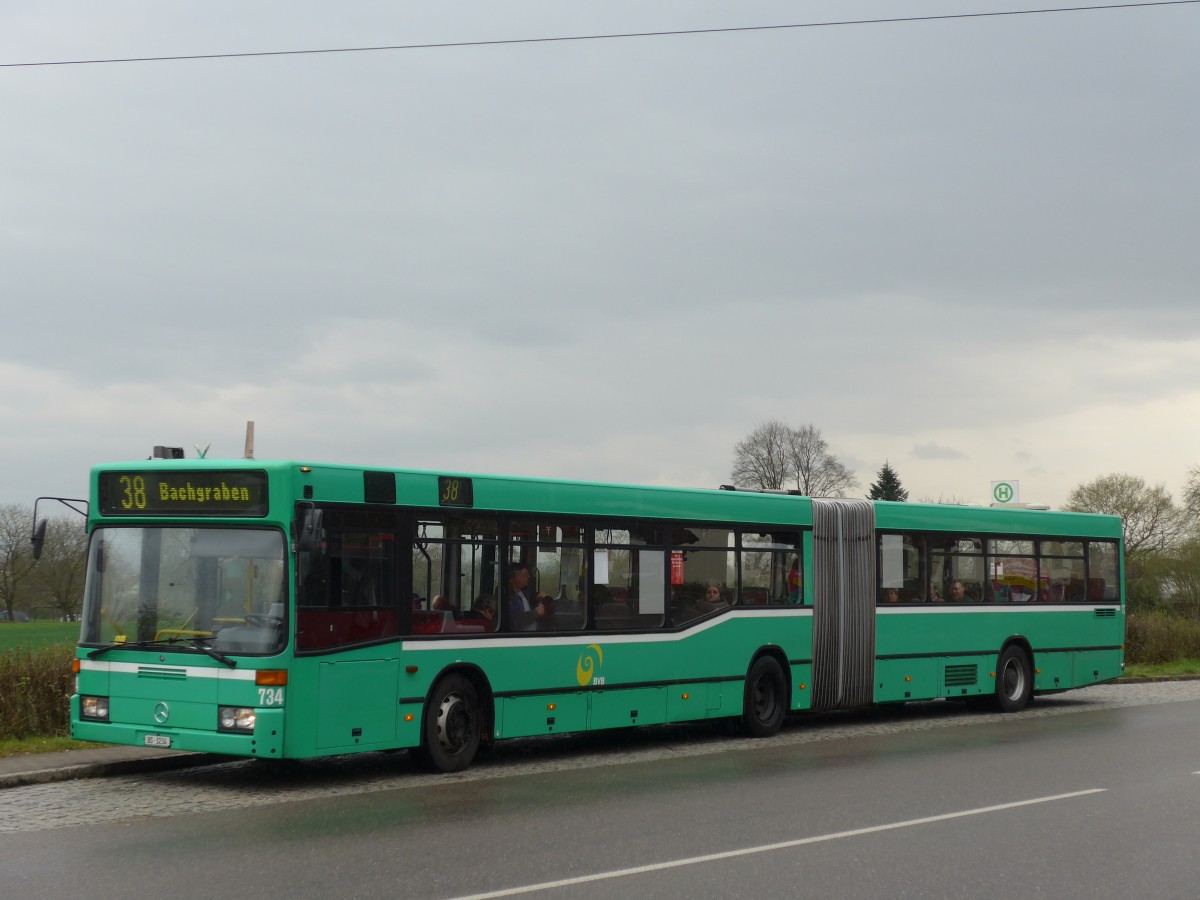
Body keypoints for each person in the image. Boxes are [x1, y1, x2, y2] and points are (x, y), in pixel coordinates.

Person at [505, 563, 551, 631]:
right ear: (515, 578)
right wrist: (536, 612)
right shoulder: (507, 595)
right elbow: (518, 621)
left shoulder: (521, 590)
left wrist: (538, 595)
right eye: (524, 575)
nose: (528, 577)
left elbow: (530, 596)